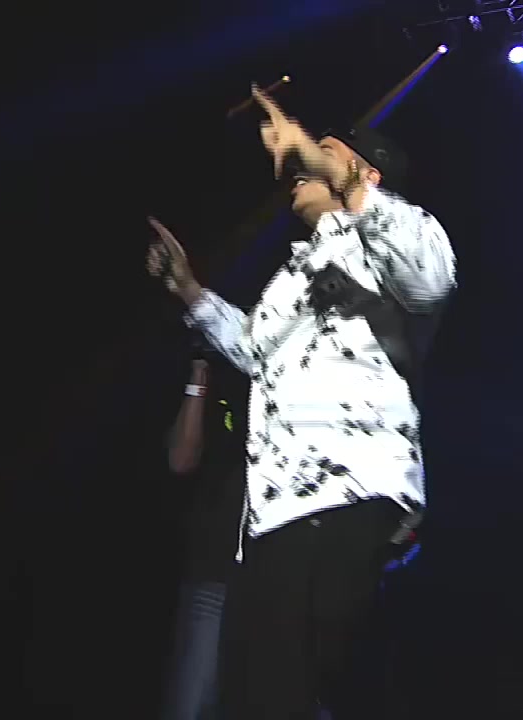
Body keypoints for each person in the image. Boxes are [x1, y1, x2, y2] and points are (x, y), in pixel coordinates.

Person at [145, 85, 456, 719]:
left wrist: (322, 158)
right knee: (257, 696)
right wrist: (189, 290)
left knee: (287, 691)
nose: (299, 165)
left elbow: (431, 281)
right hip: (272, 514)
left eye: (324, 155)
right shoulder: (296, 272)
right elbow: (255, 350)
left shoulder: (390, 242)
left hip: (348, 494)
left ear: (365, 174)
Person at [160, 342, 246, 720]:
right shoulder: (221, 378)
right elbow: (181, 458)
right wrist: (199, 373)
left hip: (282, 581)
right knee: (192, 704)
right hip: (215, 577)